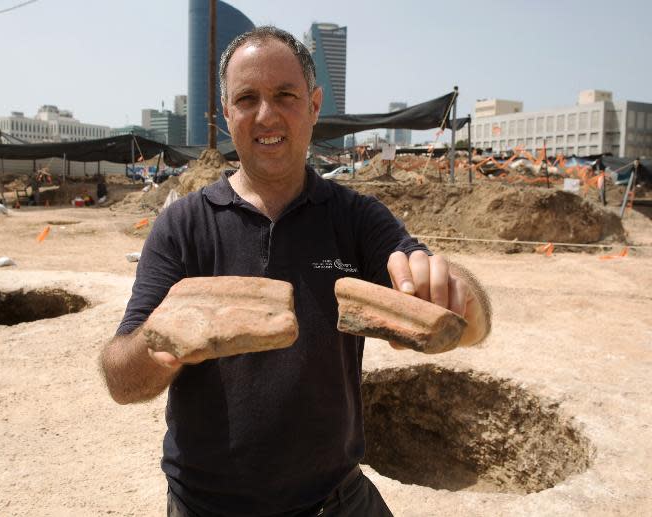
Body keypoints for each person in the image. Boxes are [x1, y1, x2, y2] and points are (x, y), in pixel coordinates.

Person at [100, 26, 491, 517]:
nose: (267, 115)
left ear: (314, 105)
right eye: (247, 98)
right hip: (206, 507)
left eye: (285, 94)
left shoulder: (356, 219)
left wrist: (456, 291)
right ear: (226, 113)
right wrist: (161, 340)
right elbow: (120, 379)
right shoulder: (183, 226)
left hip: (337, 501)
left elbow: (467, 321)